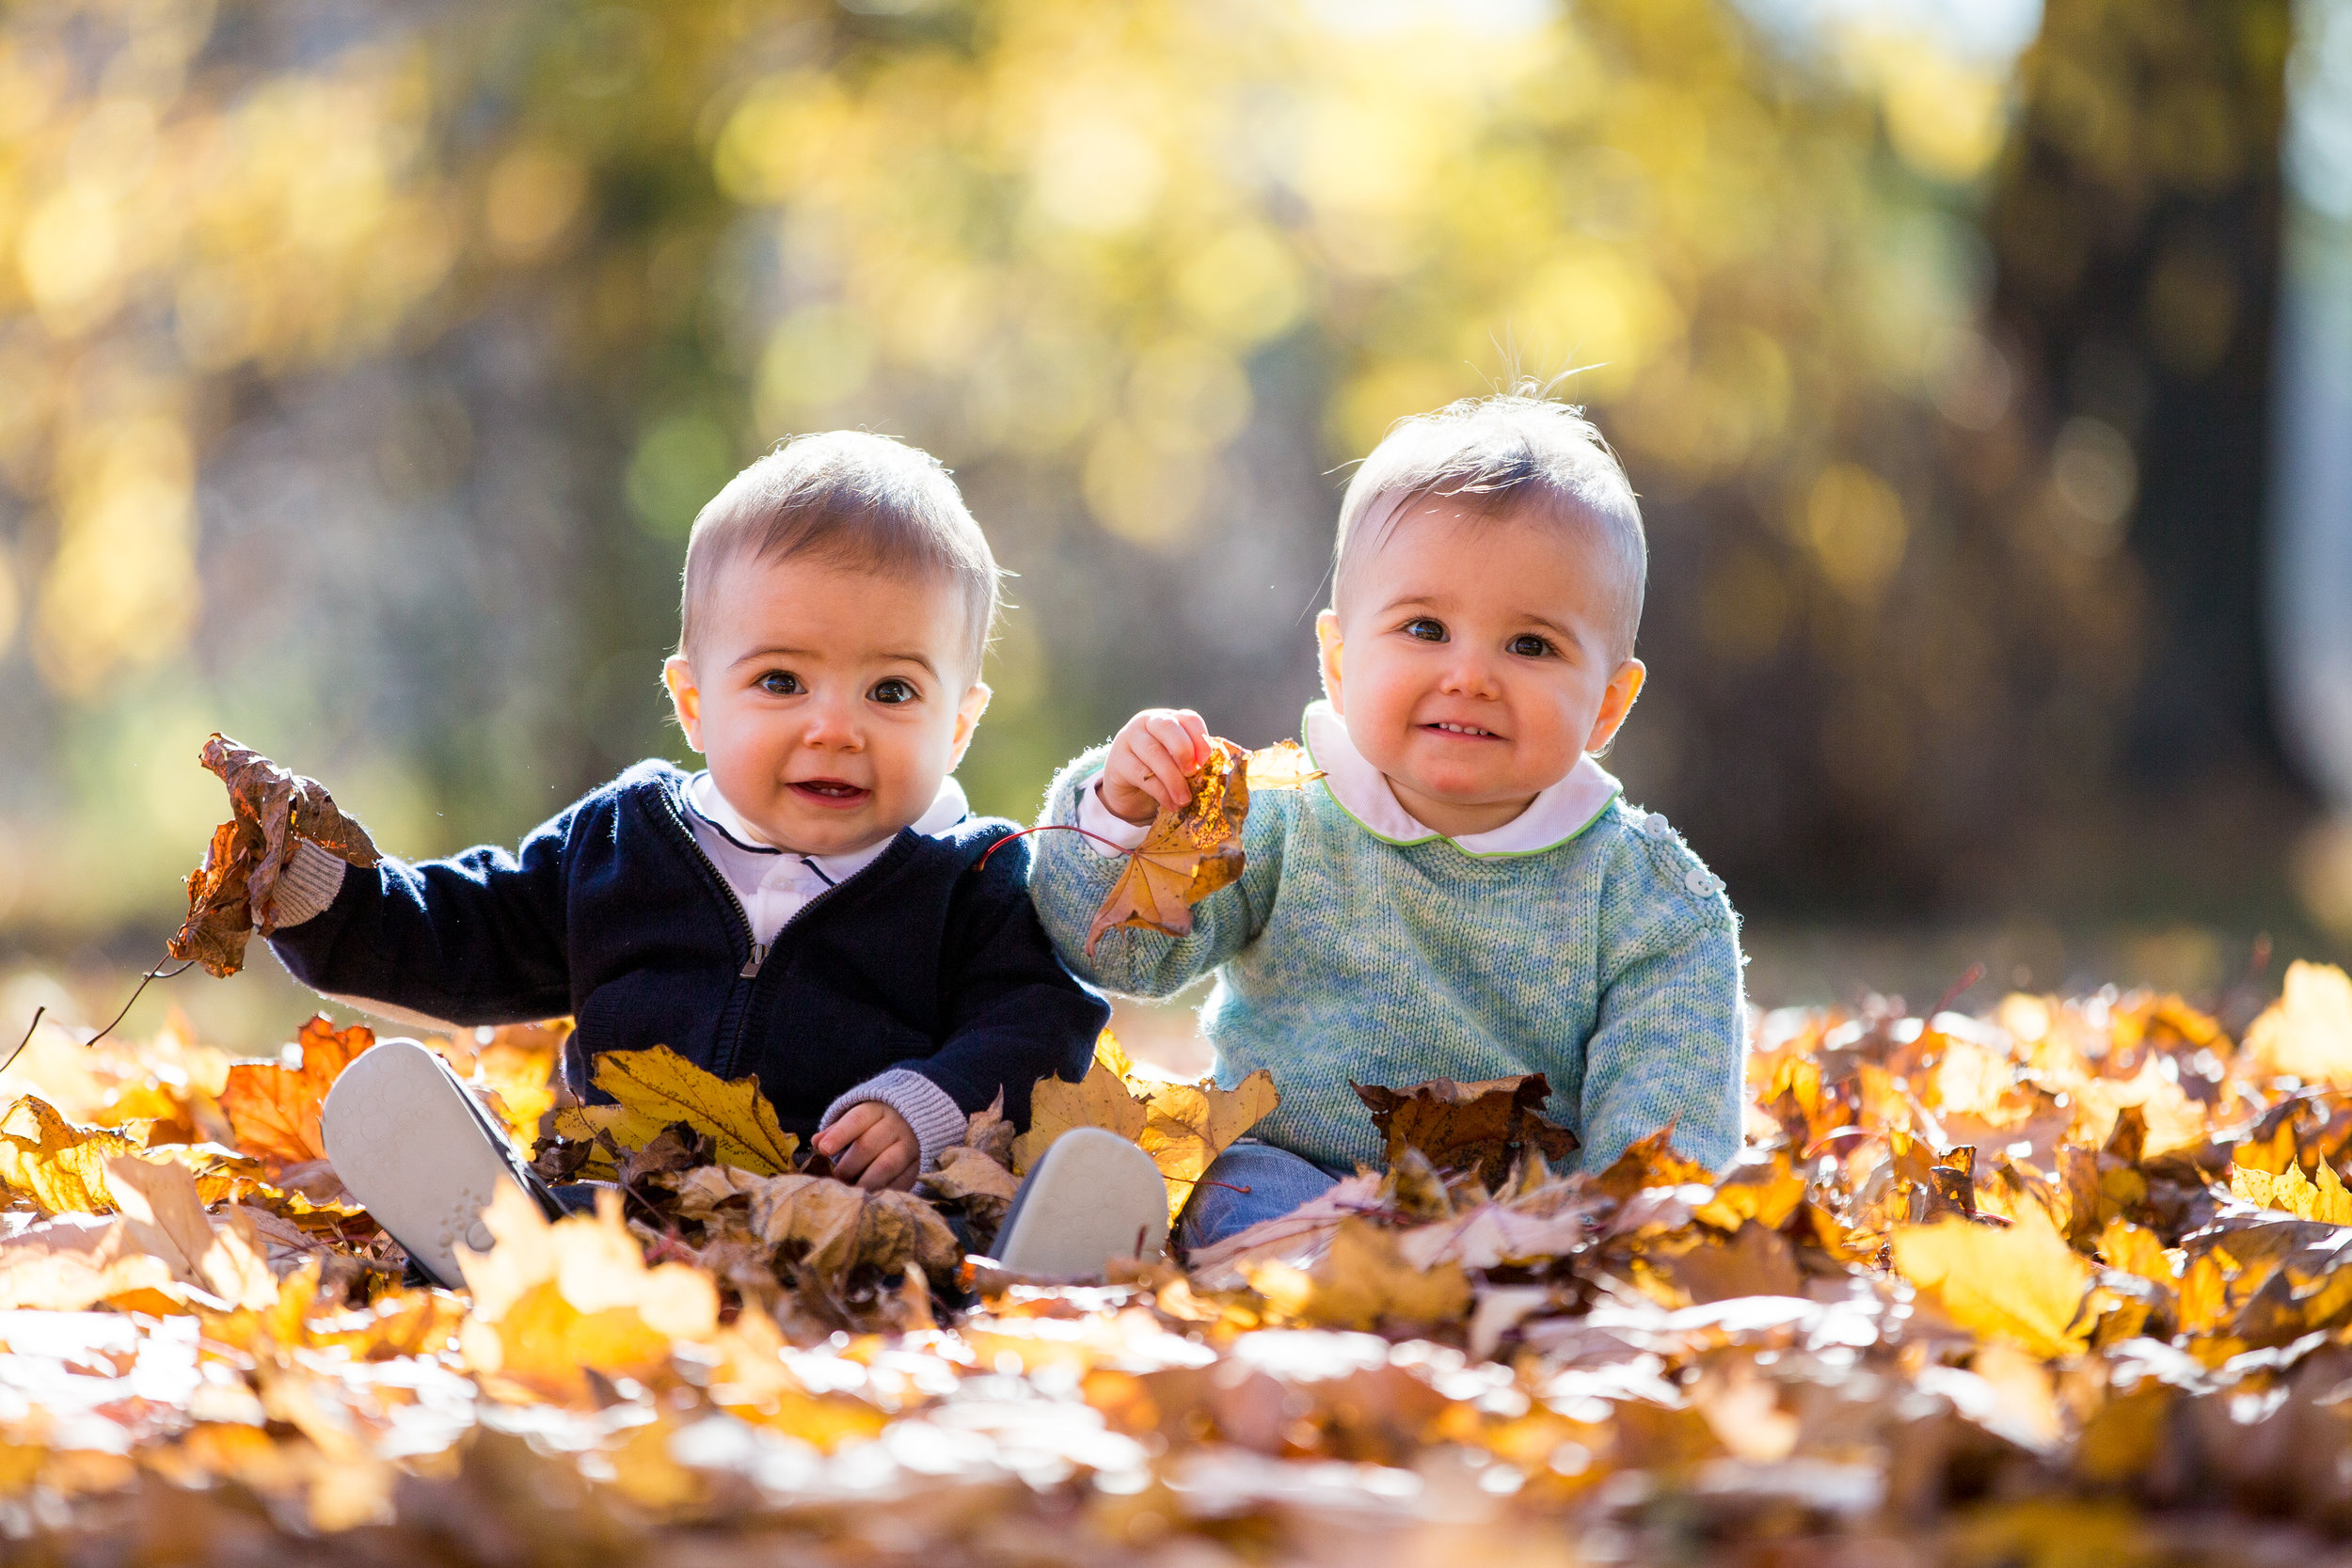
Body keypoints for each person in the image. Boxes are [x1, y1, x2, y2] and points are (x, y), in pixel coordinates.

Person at [260, 432, 1167, 1285]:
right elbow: (466, 932)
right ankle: (499, 1232)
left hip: (851, 1217)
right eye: (781, 681)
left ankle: (1024, 1267)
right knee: (577, 1205)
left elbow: (1040, 1022)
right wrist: (318, 894)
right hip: (634, 1198)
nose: (834, 728)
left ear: (959, 726)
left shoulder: (971, 876)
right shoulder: (625, 843)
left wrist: (930, 1104)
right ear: (694, 703)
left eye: (892, 690)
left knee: (936, 1236)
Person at [1025, 389, 1747, 1251]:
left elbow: (1664, 1135)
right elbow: (1121, 953)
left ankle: (1430, 1279)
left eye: (1531, 646)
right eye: (1425, 627)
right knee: (1225, 1180)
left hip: (1511, 1215)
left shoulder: (1649, 901)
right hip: (1293, 1177)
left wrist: (1618, 1233)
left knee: (1573, 1234)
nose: (1471, 674)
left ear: (1607, 704)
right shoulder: (1280, 813)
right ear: (1338, 661)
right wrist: (1121, 816)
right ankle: (1169, 1249)